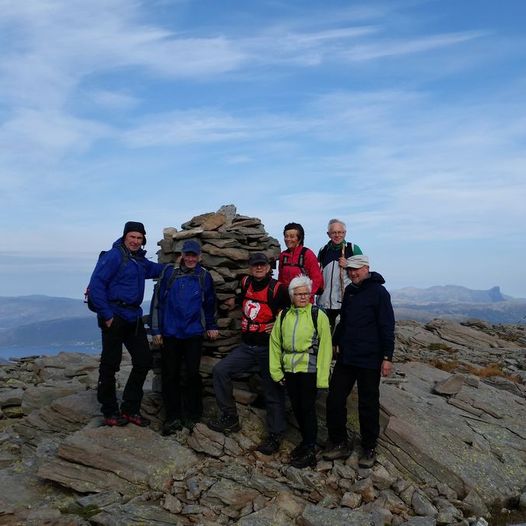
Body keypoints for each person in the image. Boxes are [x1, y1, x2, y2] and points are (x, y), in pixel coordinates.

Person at [207, 253, 290, 454]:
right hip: (246, 348)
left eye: (262, 265)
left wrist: (278, 322)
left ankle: (276, 435)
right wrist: (228, 303)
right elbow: (238, 300)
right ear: (250, 268)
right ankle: (230, 418)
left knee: (272, 391)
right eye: (255, 265)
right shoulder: (245, 282)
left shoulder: (279, 289)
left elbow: (292, 311)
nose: (259, 268)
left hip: (268, 349)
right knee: (220, 371)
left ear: (269, 267)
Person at [88, 221, 164, 427]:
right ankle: (110, 411)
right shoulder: (114, 256)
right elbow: (96, 284)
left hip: (133, 317)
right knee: (110, 365)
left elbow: (156, 269)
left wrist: (180, 265)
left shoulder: (139, 260)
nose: (136, 241)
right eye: (132, 237)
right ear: (125, 237)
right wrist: (107, 315)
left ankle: (130, 409)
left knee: (144, 360)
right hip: (114, 315)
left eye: (139, 238)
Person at [323, 255, 395, 468]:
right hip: (347, 356)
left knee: (368, 404)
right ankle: (339, 442)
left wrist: (387, 357)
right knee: (334, 398)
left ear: (366, 268)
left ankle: (369, 446)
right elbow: (343, 321)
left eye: (356, 269)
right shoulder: (352, 291)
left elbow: (387, 326)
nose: (352, 273)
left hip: (370, 358)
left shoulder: (380, 293)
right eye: (350, 270)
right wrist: (335, 343)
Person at [150, 239, 219, 435]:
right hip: (170, 333)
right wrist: (156, 330)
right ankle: (172, 417)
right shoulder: (169, 273)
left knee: (192, 374)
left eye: (194, 255)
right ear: (181, 255)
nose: (190, 258)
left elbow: (210, 304)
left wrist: (212, 326)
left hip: (193, 333)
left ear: (200, 257)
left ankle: (193, 415)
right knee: (170, 375)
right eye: (187, 255)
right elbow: (157, 303)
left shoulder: (204, 277)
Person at [269, 276, 332, 469]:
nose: (303, 297)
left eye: (306, 293)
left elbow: (325, 347)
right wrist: (276, 372)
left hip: (309, 369)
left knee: (307, 409)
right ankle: (305, 444)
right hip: (290, 369)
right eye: (299, 294)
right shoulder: (284, 315)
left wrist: (322, 378)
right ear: (292, 296)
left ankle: (310, 448)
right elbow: (275, 343)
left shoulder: (317, 314)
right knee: (297, 408)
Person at [317, 219, 363, 332]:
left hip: (346, 300)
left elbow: (363, 271)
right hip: (325, 302)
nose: (337, 235)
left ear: (345, 233)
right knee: (325, 335)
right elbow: (318, 273)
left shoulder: (352, 249)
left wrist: (348, 264)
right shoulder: (323, 251)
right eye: (334, 232)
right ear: (328, 234)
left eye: (340, 232)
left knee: (345, 333)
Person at [278, 222, 323, 301]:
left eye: (292, 237)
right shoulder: (283, 256)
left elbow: (317, 279)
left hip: (304, 301)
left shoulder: (308, 254)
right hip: (286, 300)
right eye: (286, 236)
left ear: (299, 238)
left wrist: (306, 296)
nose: (288, 239)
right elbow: (280, 279)